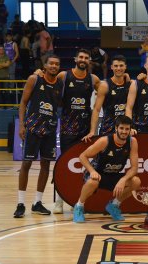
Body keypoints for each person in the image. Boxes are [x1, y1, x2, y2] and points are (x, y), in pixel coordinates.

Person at [49, 49, 101, 214]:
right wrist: (38, 73)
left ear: (89, 61)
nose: (83, 59)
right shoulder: (65, 76)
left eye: (86, 58)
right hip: (67, 130)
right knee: (63, 166)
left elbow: (109, 88)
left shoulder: (93, 79)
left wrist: (128, 78)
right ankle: (58, 201)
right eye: (81, 57)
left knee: (83, 166)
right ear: (75, 58)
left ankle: (74, 199)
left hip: (85, 131)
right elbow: (47, 80)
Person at [13, 55, 63, 218]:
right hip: (33, 128)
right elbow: (23, 102)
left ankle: (37, 202)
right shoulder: (34, 79)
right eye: (51, 63)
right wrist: (21, 125)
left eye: (57, 64)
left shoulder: (60, 84)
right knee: (26, 163)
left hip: (50, 129)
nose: (54, 66)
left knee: (46, 166)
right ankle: (20, 203)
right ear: (45, 65)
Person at [73, 115, 141, 222]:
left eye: (127, 129)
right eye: (121, 128)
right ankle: (79, 206)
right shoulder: (104, 141)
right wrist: (92, 171)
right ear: (116, 128)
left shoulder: (133, 142)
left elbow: (134, 168)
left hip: (114, 175)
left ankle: (113, 206)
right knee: (92, 182)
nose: (124, 131)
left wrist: (123, 180)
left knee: (136, 181)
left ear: (130, 130)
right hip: (98, 173)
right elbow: (82, 156)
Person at [83, 55, 131, 140]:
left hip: (124, 130)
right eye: (116, 66)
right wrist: (92, 131)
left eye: (121, 66)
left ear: (125, 67)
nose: (118, 68)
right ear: (111, 67)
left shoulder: (130, 84)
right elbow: (96, 109)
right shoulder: (105, 85)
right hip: (107, 129)